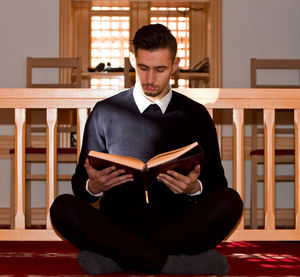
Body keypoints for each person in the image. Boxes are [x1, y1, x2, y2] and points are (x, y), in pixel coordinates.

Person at [50, 23, 243, 275]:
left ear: (175, 64)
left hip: (178, 227)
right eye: (143, 68)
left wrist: (195, 188)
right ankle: (172, 264)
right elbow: (80, 187)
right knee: (62, 208)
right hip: (119, 225)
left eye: (160, 69)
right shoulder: (105, 112)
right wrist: (94, 186)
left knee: (231, 201)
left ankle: (119, 260)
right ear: (132, 61)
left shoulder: (196, 114)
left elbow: (217, 184)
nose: (150, 79)